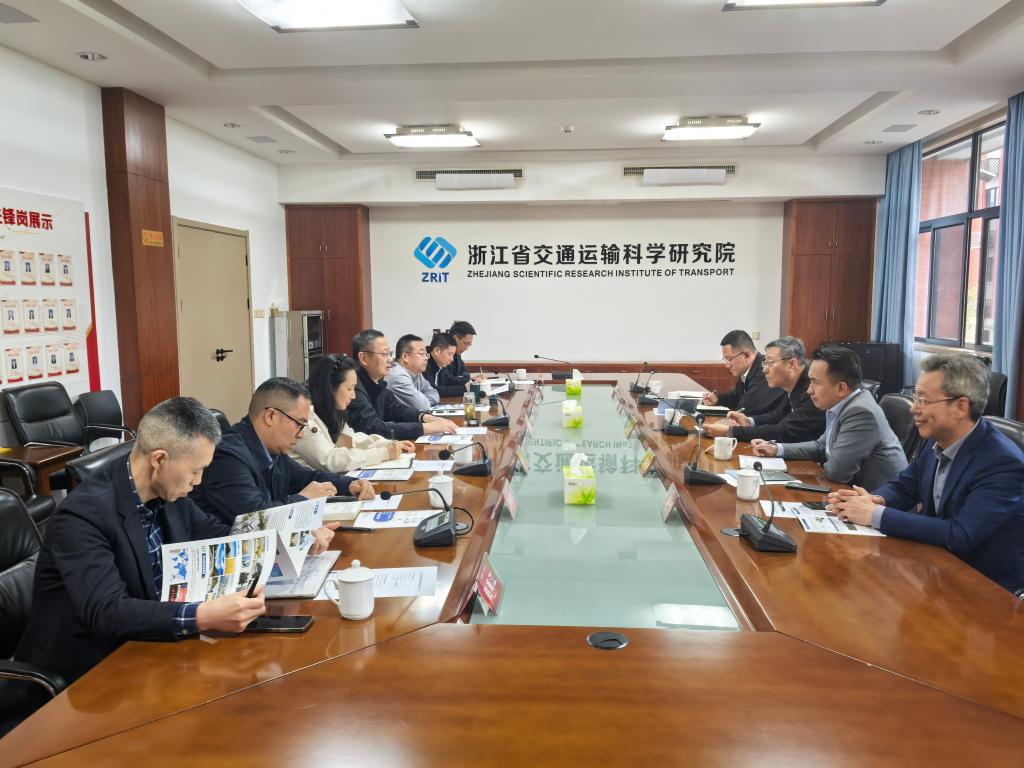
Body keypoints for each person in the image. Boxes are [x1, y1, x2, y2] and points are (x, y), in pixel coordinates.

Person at [13, 397, 320, 685]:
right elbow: (107, 611)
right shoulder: (83, 515)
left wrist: (293, 538)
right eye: (195, 471)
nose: (199, 482)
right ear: (159, 459)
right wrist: (202, 616)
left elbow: (218, 532)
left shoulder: (169, 493)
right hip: (87, 674)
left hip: (152, 647)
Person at [829, 352, 1024, 593]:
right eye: (915, 397)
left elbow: (960, 534)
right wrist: (875, 500)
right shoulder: (936, 440)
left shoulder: (1002, 463)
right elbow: (904, 487)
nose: (915, 409)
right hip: (936, 568)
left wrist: (876, 515)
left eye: (924, 400)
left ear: (960, 406)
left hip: (986, 589)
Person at [192, 378, 375, 525]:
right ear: (271, 416)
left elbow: (303, 477)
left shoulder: (271, 449)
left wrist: (349, 484)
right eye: (299, 424)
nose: (301, 433)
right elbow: (254, 518)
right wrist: (304, 499)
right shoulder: (228, 458)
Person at [752, 345, 907, 489]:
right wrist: (776, 449)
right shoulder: (841, 403)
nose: (809, 390)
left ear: (841, 388)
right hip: (850, 492)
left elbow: (837, 472)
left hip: (876, 499)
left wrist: (819, 466)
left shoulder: (861, 412)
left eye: (815, 382)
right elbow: (821, 446)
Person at [292, 354, 416, 472]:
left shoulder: (330, 410)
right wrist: (383, 453)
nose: (353, 396)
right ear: (329, 387)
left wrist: (388, 443)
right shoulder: (303, 417)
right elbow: (330, 461)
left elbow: (352, 439)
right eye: (349, 389)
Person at [703, 336, 824, 443]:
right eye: (765, 363)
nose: (765, 370)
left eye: (770, 363)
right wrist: (749, 421)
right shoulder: (795, 383)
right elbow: (778, 415)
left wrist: (731, 432)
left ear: (792, 364)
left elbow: (783, 432)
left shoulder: (811, 390)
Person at [347, 329, 458, 440]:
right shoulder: (352, 387)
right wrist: (426, 428)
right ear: (364, 358)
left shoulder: (378, 381)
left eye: (390, 354)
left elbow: (397, 409)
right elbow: (374, 428)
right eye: (384, 354)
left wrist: (426, 418)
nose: (390, 359)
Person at [702, 329, 785, 414]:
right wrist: (718, 399)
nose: (727, 365)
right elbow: (737, 397)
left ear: (746, 355)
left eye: (729, 359)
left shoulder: (764, 372)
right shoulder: (747, 370)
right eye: (725, 360)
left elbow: (746, 408)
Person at [385, 334, 440, 411]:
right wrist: (423, 401)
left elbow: (435, 394)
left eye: (426, 354)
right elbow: (422, 406)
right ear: (405, 357)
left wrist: (423, 401)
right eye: (421, 354)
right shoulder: (398, 376)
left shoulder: (416, 372)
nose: (426, 358)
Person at [426, 331, 466, 397]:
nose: (452, 359)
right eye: (450, 354)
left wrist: (471, 383)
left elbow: (450, 380)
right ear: (436, 351)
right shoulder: (424, 364)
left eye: (453, 355)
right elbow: (433, 391)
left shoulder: (440, 365)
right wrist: (465, 389)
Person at [446, 320, 487, 385]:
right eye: (466, 343)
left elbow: (466, 374)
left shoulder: (457, 355)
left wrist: (472, 379)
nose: (466, 349)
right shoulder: (443, 355)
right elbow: (448, 380)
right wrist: (468, 380)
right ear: (455, 338)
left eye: (469, 344)